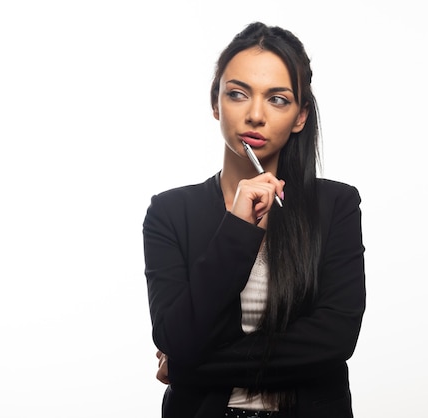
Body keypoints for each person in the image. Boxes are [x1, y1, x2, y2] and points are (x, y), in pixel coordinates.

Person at [143, 21, 366, 418]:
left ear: (300, 116)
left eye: (278, 99)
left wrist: (189, 367)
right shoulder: (170, 212)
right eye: (238, 94)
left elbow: (334, 340)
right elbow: (178, 335)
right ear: (216, 104)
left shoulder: (336, 205)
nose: (256, 114)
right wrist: (238, 229)